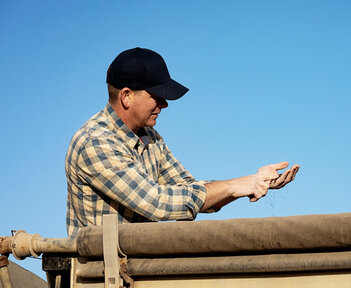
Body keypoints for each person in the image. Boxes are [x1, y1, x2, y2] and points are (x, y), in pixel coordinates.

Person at [65, 47, 299, 237]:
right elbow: (157, 203)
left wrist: (253, 182)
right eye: (156, 97)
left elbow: (187, 190)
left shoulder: (150, 137)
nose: (164, 105)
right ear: (127, 96)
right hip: (98, 282)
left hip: (134, 272)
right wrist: (234, 185)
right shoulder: (96, 142)